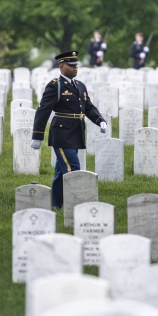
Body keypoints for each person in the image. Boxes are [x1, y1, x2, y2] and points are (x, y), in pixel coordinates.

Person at [31, 51, 107, 210]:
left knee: (60, 172)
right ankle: (76, 205)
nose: (75, 68)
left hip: (76, 133)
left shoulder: (79, 85)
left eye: (76, 65)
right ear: (61, 67)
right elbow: (43, 110)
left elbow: (88, 107)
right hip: (62, 134)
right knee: (73, 168)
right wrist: (37, 136)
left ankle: (56, 204)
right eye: (71, 65)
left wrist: (100, 121)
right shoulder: (55, 86)